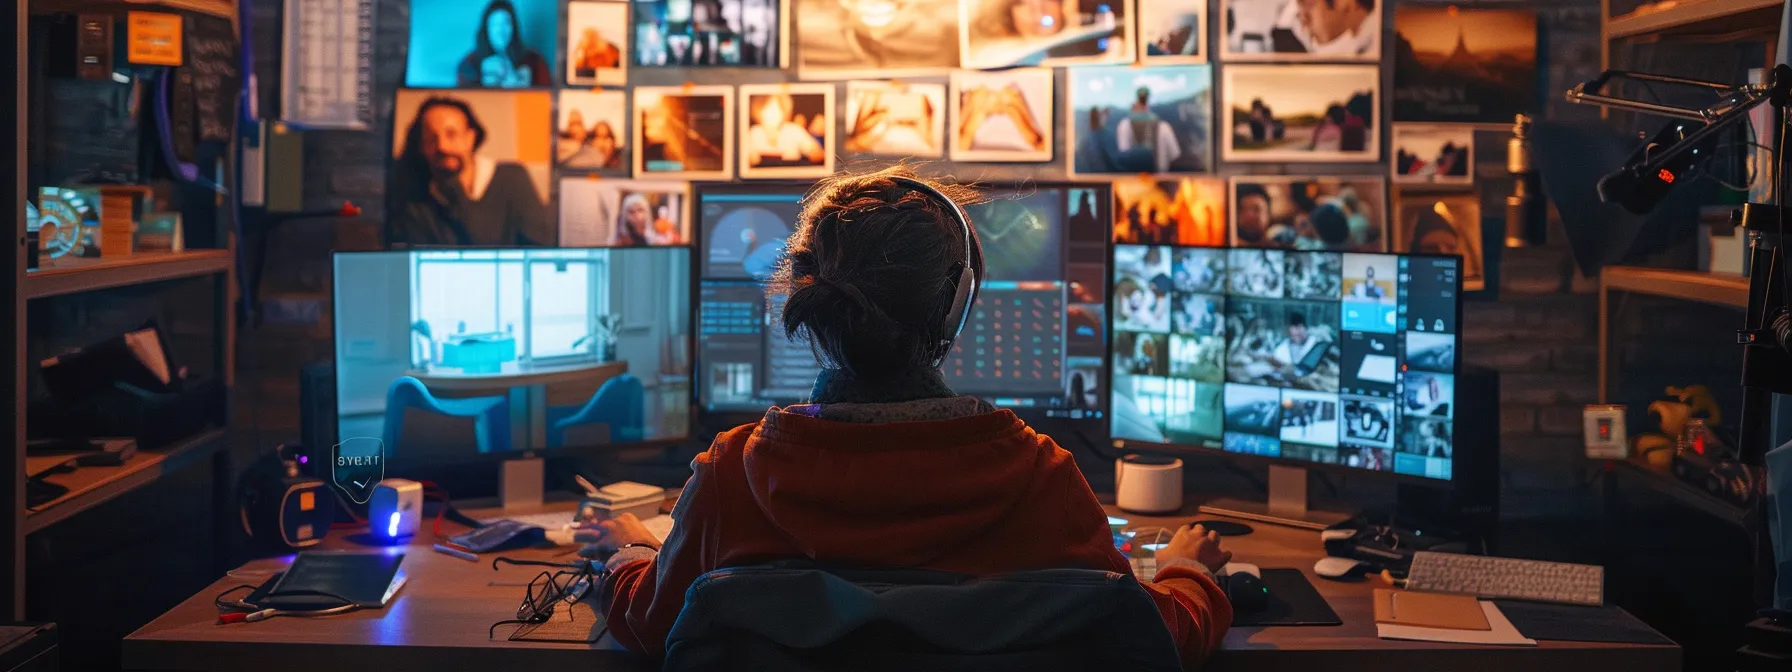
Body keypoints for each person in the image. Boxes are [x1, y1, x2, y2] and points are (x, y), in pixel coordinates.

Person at [582, 167, 1234, 666]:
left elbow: (649, 624)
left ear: (813, 300)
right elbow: (1154, 637)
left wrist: (630, 553)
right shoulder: (1040, 477)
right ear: (958, 306)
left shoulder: (733, 474)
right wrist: (1188, 570)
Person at [388, 96, 551, 246]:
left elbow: (539, 249)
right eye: (431, 138)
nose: (442, 146)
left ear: (470, 138)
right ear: (422, 147)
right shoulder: (415, 201)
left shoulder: (512, 178)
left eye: (451, 134)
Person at [457, 0, 550, 88]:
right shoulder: (469, 64)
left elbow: (548, 96)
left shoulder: (534, 60)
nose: (501, 30)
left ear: (514, 27)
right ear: (486, 29)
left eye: (506, 23)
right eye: (495, 24)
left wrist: (522, 88)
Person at [746, 92, 827, 168]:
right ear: (758, 111)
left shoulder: (794, 130)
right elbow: (740, 159)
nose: (771, 115)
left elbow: (817, 153)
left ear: (784, 111)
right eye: (766, 109)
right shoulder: (754, 132)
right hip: (761, 179)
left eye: (776, 110)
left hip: (793, 180)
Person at [1116, 87, 1182, 173]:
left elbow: (1123, 154)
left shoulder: (1124, 125)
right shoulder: (1163, 126)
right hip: (1159, 179)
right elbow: (1174, 155)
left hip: (1133, 180)